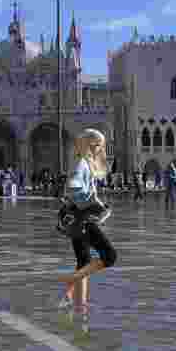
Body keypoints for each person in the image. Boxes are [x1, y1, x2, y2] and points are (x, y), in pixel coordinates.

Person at [59, 129, 118, 331]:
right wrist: (93, 204)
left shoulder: (83, 161)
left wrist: (101, 206)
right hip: (83, 218)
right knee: (109, 256)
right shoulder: (81, 163)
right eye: (96, 145)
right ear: (88, 145)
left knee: (83, 261)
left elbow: (86, 191)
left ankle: (79, 308)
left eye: (100, 145)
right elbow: (73, 187)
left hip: (78, 218)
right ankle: (70, 281)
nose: (99, 149)